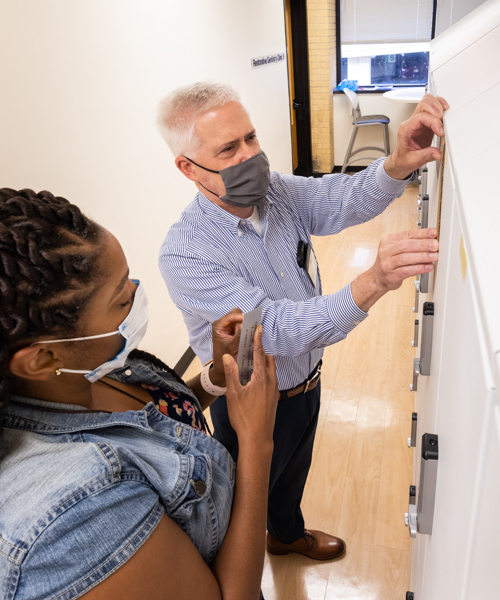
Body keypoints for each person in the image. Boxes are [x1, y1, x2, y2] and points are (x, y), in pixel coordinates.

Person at [0, 188, 280, 600]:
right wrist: (256, 441)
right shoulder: (69, 523)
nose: (135, 294)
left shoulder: (75, 370)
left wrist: (215, 381)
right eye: (120, 298)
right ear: (40, 358)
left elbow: (150, 424)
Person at [156, 82, 449, 559]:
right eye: (229, 148)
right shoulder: (188, 254)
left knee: (294, 472)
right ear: (188, 168)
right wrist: (373, 280)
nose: (252, 156)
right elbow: (274, 330)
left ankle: (286, 535)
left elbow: (337, 198)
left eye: (251, 138)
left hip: (307, 381)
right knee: (239, 510)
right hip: (253, 401)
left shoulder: (273, 193)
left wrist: (396, 164)